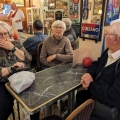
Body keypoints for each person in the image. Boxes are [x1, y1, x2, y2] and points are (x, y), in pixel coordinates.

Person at [76, 22, 120, 120]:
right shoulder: (108, 51)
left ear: (116, 39)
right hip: (94, 98)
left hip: (105, 111)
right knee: (79, 96)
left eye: (107, 34)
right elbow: (96, 64)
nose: (105, 37)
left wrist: (91, 85)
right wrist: (89, 74)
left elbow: (114, 96)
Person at [0, 21, 32, 120]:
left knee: (34, 102)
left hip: (23, 77)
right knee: (3, 106)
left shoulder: (16, 43)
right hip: (5, 82)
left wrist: (13, 48)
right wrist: (12, 68)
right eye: (0, 34)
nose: (4, 37)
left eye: (5, 33)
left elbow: (28, 58)